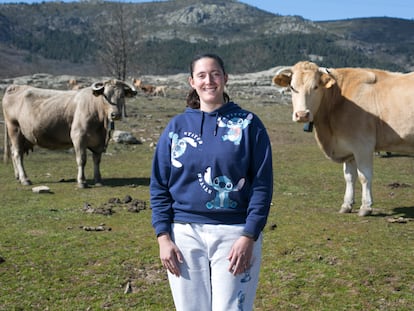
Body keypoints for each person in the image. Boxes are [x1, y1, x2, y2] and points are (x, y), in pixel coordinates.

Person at [150, 53, 273, 311]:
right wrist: (163, 236)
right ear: (192, 82)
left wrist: (249, 235)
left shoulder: (250, 125)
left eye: (215, 74)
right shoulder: (176, 127)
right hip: (184, 235)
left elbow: (262, 185)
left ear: (225, 79)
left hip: (234, 234)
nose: (209, 81)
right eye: (202, 75)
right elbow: (159, 185)